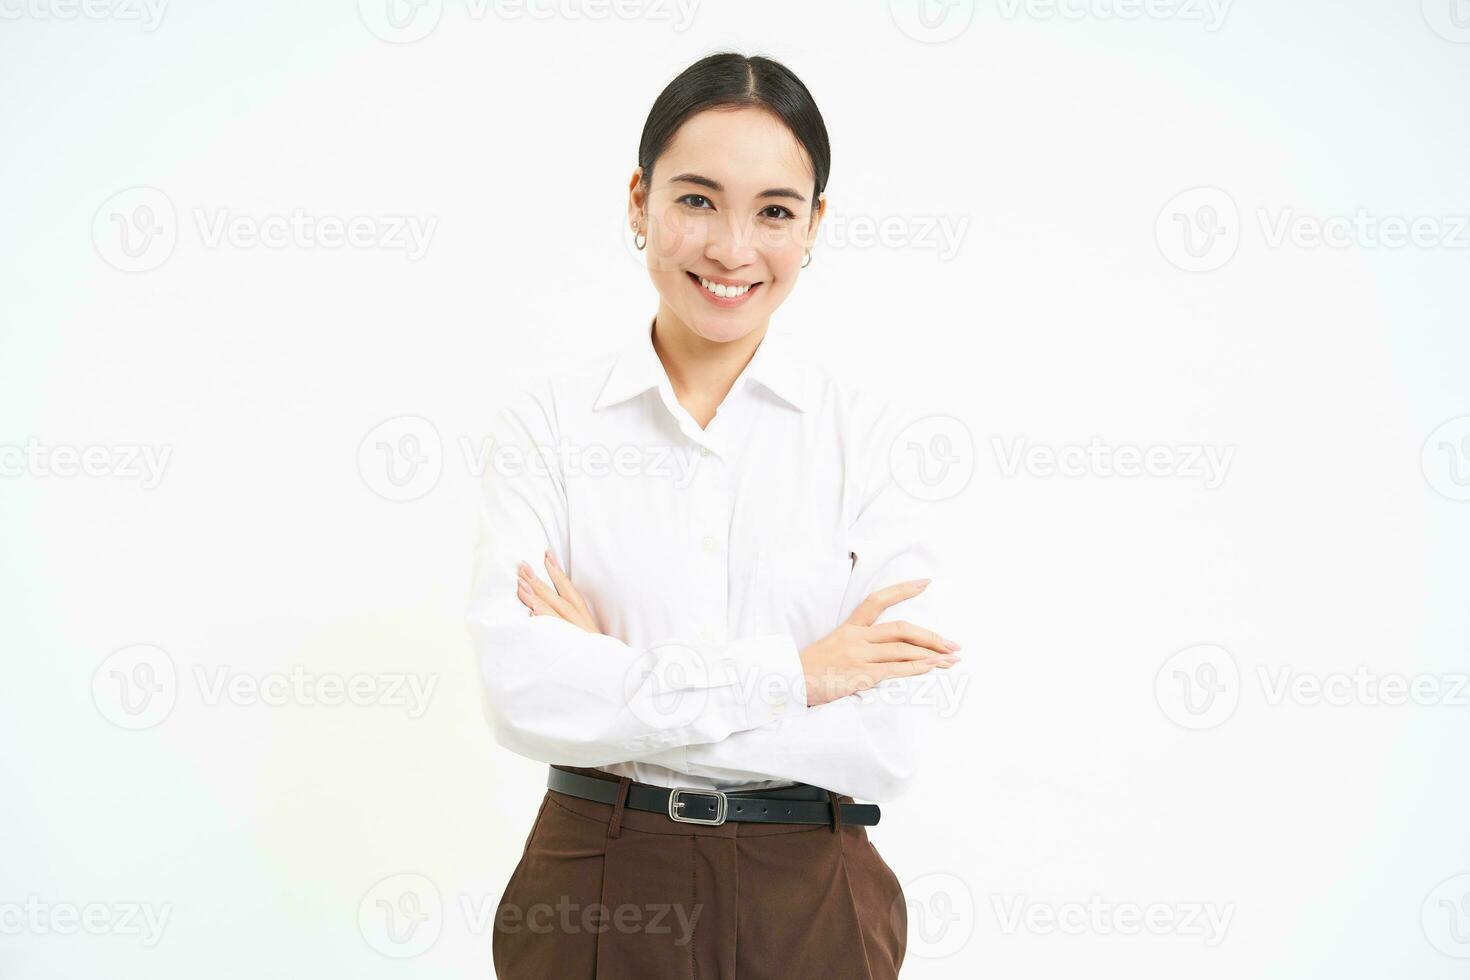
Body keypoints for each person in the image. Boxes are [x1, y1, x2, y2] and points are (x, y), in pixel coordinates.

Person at [465, 50, 959, 979]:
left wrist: (617, 681)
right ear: (638, 201)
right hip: (597, 878)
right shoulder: (549, 428)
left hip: (810, 889)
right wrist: (802, 674)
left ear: (814, 226)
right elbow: (524, 691)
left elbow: (893, 736)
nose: (733, 248)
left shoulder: (873, 440)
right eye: (696, 200)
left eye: (774, 211)